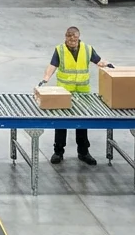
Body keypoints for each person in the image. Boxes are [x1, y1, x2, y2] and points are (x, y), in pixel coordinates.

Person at [39, 26, 113, 165]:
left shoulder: (87, 49)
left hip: (82, 92)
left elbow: (98, 60)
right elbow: (52, 65)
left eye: (74, 38)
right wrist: (45, 78)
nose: (72, 41)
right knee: (61, 122)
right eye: (69, 38)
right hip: (65, 91)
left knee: (82, 122)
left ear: (79, 37)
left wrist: (107, 64)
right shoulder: (60, 50)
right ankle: (58, 152)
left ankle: (84, 152)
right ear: (65, 37)